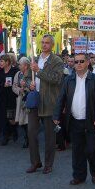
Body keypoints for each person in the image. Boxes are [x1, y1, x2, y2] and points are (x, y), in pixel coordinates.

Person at [53, 53, 95, 185]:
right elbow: (61, 98)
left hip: (91, 121)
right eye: (76, 62)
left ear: (88, 62)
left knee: (92, 150)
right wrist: (56, 115)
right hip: (74, 121)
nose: (78, 64)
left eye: (81, 61)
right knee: (77, 151)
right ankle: (79, 176)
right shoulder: (68, 80)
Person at [26, 35, 64, 174]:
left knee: (49, 136)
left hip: (49, 101)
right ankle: (35, 162)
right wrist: (29, 84)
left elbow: (56, 79)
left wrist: (38, 71)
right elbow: (27, 77)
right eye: (42, 42)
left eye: (47, 43)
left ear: (52, 45)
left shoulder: (57, 61)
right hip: (35, 100)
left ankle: (49, 164)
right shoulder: (35, 59)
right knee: (31, 132)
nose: (44, 45)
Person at [0, 54, 19, 146]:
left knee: (11, 118)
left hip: (11, 97)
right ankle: (5, 136)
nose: (0, 63)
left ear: (7, 62)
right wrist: (2, 85)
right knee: (3, 117)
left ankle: (14, 131)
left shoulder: (15, 71)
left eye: (1, 61)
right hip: (2, 97)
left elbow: (18, 82)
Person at [12, 57, 32, 148]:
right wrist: (19, 90)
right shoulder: (18, 74)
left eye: (20, 64)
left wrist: (26, 86)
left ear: (26, 66)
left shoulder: (32, 74)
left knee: (28, 120)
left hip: (29, 98)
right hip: (21, 99)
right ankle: (26, 136)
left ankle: (28, 138)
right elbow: (14, 86)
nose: (19, 66)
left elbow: (34, 86)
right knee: (21, 119)